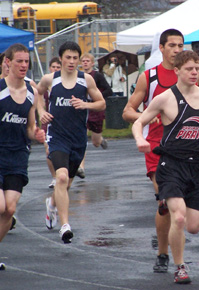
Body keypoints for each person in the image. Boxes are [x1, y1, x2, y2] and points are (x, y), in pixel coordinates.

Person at [132, 50, 199, 284]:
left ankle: (170, 204)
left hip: (197, 167)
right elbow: (139, 121)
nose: (195, 73)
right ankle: (180, 266)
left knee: (193, 227)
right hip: (171, 165)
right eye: (189, 69)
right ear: (177, 71)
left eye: (197, 68)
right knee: (180, 217)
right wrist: (140, 139)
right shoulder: (165, 98)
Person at [123, 28, 199, 274]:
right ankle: (162, 252)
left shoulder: (193, 74)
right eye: (172, 45)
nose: (177, 50)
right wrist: (149, 118)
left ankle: (171, 245)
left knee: (176, 208)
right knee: (164, 201)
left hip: (186, 150)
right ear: (161, 48)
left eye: (181, 45)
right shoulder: (149, 77)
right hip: (157, 148)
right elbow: (128, 112)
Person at [36, 41, 106, 243]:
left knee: (65, 185)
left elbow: (101, 103)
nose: (72, 61)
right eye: (68, 57)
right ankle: (65, 225)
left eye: (76, 58)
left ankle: (52, 204)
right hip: (57, 137)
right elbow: (39, 93)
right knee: (62, 178)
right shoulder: (51, 79)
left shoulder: (86, 80)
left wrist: (85, 104)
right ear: (61, 59)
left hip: (77, 139)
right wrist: (41, 111)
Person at [0, 43, 46, 270]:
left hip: (18, 156)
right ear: (7, 62)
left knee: (9, 209)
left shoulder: (31, 93)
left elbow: (30, 127)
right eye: (19, 61)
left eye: (26, 61)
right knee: (0, 206)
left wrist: (36, 134)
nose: (24, 66)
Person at [76, 52, 112, 179]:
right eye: (83, 61)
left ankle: (101, 140)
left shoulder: (98, 76)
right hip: (83, 109)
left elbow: (109, 90)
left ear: (92, 63)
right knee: (82, 138)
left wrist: (97, 96)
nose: (85, 63)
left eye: (87, 61)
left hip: (96, 109)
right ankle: (81, 167)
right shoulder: (77, 76)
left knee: (95, 142)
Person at [41, 57, 62, 188]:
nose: (55, 69)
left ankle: (61, 174)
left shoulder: (63, 82)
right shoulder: (45, 81)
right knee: (48, 150)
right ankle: (54, 177)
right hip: (47, 120)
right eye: (53, 67)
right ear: (49, 68)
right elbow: (37, 96)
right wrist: (41, 112)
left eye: (58, 67)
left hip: (61, 121)